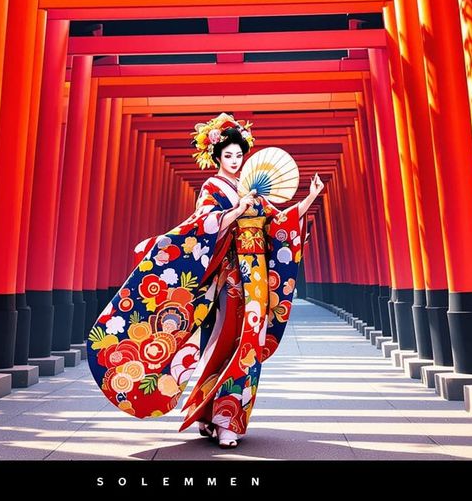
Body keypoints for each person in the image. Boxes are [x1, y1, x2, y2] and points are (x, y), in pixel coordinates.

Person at [87, 112, 325, 449]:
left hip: (256, 280)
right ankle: (215, 415)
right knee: (228, 342)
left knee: (250, 347)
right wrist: (236, 211)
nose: (234, 161)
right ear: (216, 157)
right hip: (230, 276)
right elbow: (204, 224)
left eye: (239, 155)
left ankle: (226, 417)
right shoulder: (213, 188)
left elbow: (280, 223)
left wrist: (310, 198)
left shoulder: (253, 189)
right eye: (228, 155)